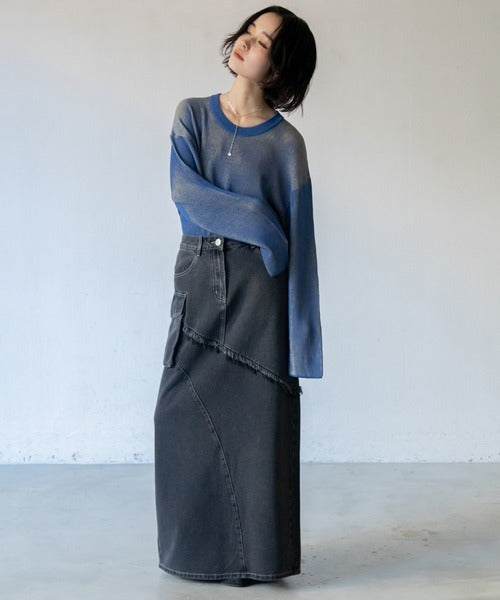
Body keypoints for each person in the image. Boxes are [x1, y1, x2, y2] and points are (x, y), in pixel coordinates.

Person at [154, 5, 323, 587]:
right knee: (177, 415)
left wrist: (303, 345)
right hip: (200, 279)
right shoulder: (192, 115)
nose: (247, 42)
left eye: (264, 42)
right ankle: (190, 555)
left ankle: (257, 561)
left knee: (258, 431)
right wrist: (259, 221)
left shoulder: (287, 145)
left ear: (280, 68)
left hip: (260, 298)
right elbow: (187, 195)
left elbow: (301, 247)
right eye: (249, 31)